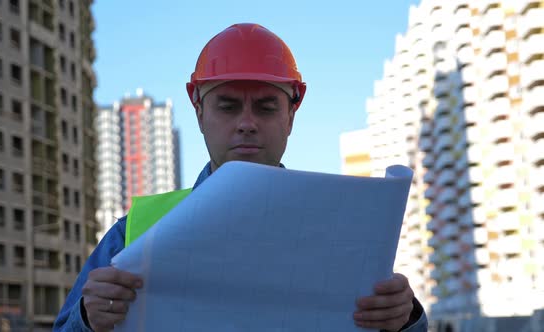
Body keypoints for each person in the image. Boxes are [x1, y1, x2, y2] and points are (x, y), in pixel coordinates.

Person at [54, 23, 428, 332]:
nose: (247, 124)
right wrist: (87, 320)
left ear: (290, 118)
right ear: (199, 113)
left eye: (265, 107)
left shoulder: (347, 235)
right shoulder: (133, 234)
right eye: (228, 106)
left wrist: (405, 319)